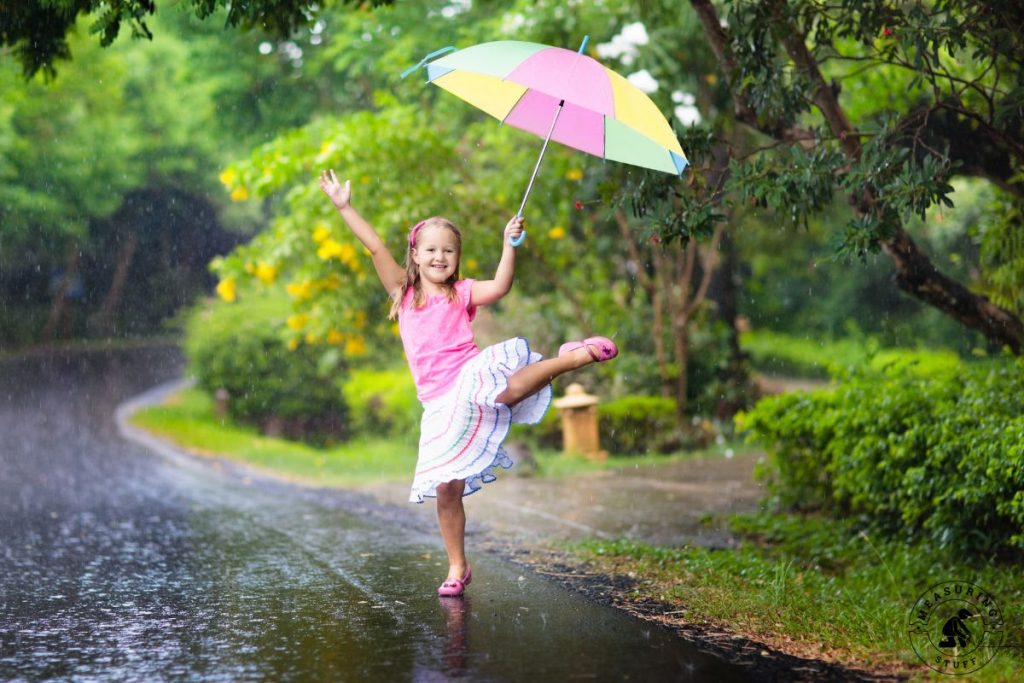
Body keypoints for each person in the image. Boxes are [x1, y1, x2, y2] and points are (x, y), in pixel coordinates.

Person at [318, 169, 619, 597]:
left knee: (507, 390)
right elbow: (373, 245)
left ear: (457, 258)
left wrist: (508, 245)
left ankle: (570, 358)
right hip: (438, 402)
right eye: (431, 250)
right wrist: (344, 206)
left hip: (468, 376)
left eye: (449, 251)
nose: (440, 257)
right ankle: (458, 566)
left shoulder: (462, 293)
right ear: (416, 255)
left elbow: (500, 286)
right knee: (447, 490)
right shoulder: (402, 294)